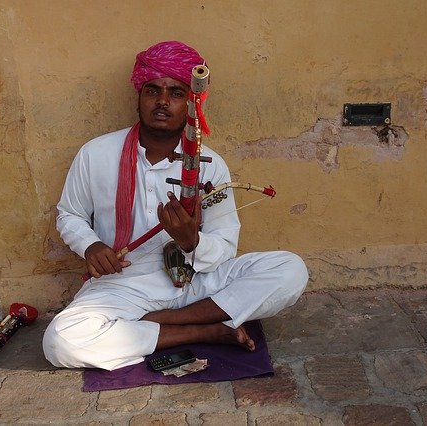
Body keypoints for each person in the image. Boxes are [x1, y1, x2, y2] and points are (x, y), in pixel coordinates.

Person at [43, 41, 308, 371]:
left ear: (192, 102)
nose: (163, 102)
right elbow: (69, 214)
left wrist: (191, 242)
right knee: (59, 341)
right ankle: (202, 331)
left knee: (290, 269)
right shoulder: (96, 154)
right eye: (152, 91)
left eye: (177, 93)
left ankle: (163, 322)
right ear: (140, 96)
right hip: (124, 285)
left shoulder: (210, 165)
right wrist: (91, 245)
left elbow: (225, 247)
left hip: (198, 283)